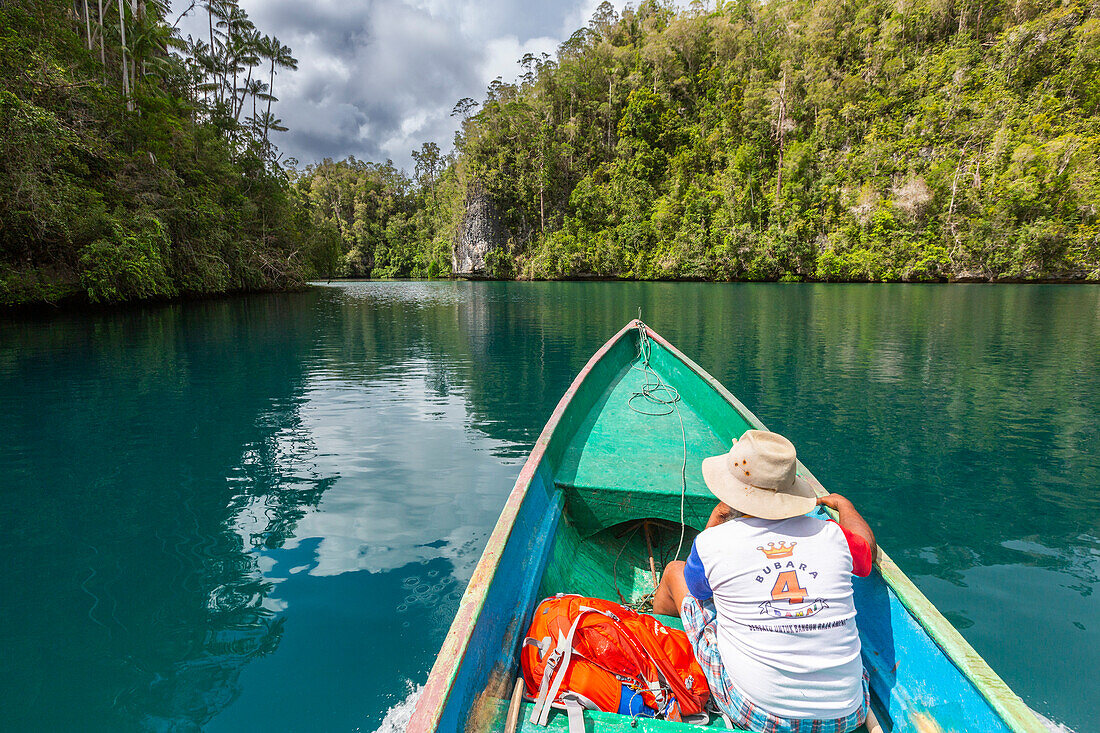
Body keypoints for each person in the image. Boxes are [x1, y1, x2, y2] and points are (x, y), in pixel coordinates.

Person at [652, 429, 876, 733]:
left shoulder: (713, 543)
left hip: (761, 714)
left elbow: (698, 589)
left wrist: (719, 516)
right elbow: (867, 552)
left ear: (731, 493)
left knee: (675, 574)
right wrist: (846, 507)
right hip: (849, 713)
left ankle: (656, 623)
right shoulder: (835, 535)